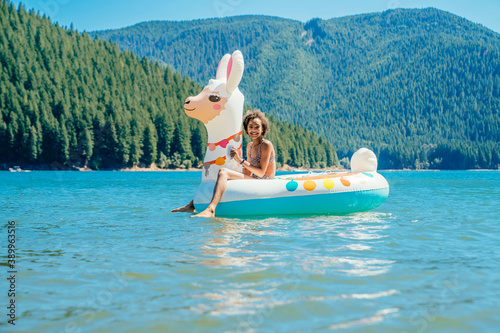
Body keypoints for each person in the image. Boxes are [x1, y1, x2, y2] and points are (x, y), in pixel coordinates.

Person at [172, 109, 276, 217]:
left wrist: (240, 160)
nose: (253, 130)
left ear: (263, 128)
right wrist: (238, 166)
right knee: (220, 174)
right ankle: (192, 205)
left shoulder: (266, 145)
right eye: (250, 127)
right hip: (255, 179)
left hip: (265, 181)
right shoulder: (250, 146)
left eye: (257, 127)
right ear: (246, 129)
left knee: (224, 172)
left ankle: (211, 209)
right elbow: (248, 172)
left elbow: (260, 173)